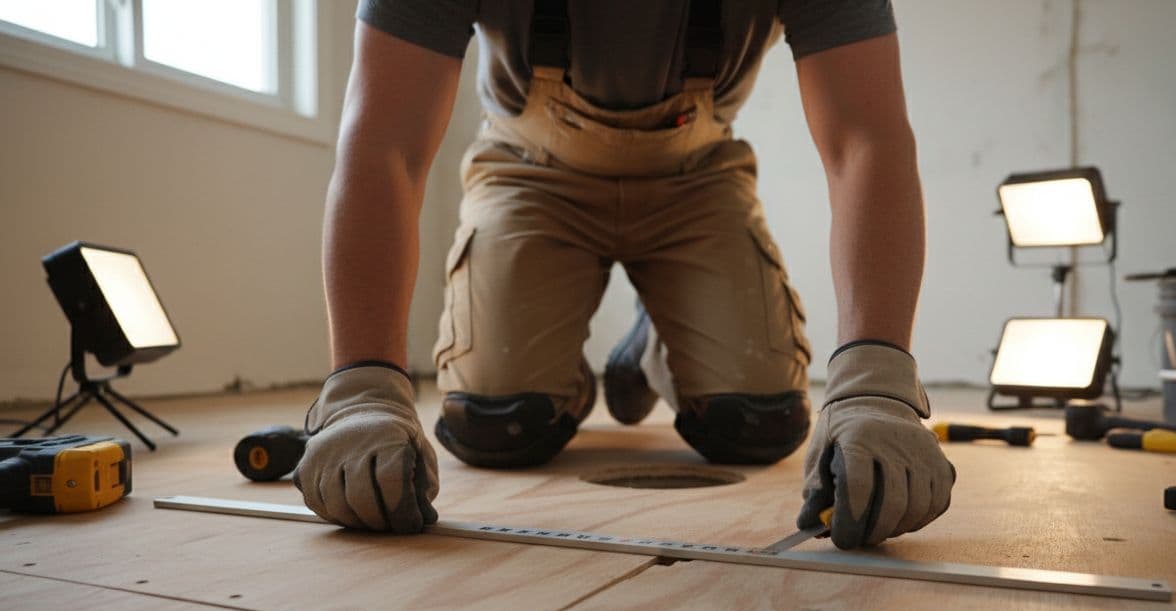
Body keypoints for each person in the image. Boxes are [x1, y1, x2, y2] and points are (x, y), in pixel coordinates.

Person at [294, 1, 956, 549]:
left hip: (694, 183)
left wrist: (876, 383)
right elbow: (386, 141)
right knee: (499, 424)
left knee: (757, 424)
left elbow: (866, 139)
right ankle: (556, 365)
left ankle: (651, 348)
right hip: (530, 176)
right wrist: (363, 389)